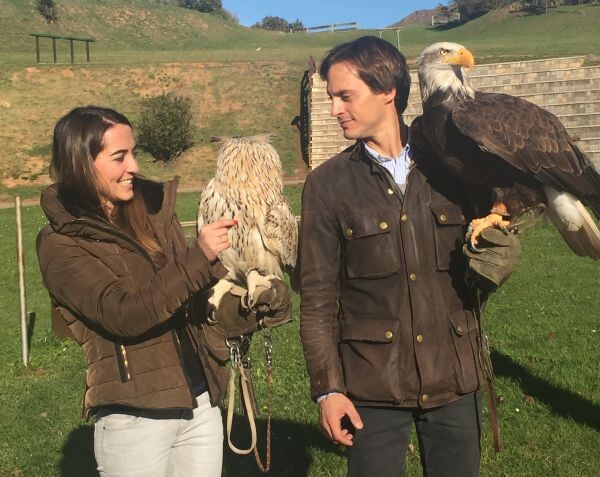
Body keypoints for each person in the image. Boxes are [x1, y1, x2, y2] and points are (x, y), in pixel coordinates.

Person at [299, 37, 520, 476]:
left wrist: (498, 256)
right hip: (372, 388)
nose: (333, 110)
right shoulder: (326, 185)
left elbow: (480, 259)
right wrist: (328, 390)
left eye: (345, 96)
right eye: (330, 98)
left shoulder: (454, 167)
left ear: (387, 91)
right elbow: (317, 299)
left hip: (456, 376)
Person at [36, 106, 291, 477]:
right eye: (120, 157)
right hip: (134, 418)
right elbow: (125, 315)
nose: (135, 166)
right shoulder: (61, 243)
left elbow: (192, 306)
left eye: (134, 152)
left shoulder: (153, 214)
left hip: (200, 402)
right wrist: (199, 256)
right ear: (80, 163)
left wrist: (248, 309)